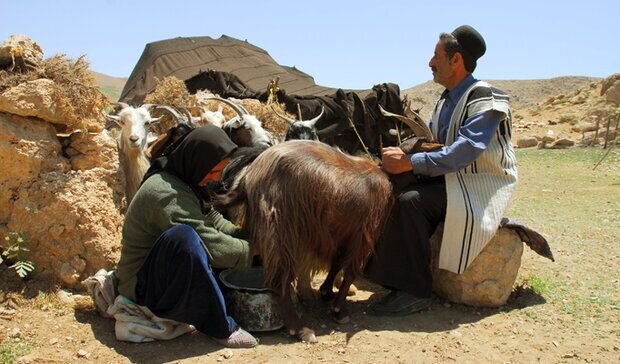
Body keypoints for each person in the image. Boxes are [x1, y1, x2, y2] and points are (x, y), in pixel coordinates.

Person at [365, 25, 518, 316]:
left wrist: (410, 163)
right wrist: (403, 154)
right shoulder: (445, 101)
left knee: (411, 202)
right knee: (385, 185)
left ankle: (415, 291)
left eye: (436, 56)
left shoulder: (485, 97)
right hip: (453, 180)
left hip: (479, 185)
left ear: (456, 60)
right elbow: (438, 146)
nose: (430, 62)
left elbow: (467, 150)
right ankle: (374, 269)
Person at [115, 125, 258, 347]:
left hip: (160, 275)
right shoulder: (166, 194)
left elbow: (214, 220)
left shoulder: (186, 182)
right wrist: (254, 250)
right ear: (197, 162)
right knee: (186, 239)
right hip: (141, 287)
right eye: (213, 172)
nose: (217, 178)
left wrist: (246, 236)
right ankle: (220, 327)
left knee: (207, 245)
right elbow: (211, 243)